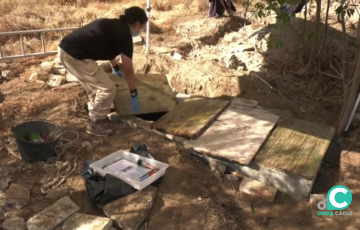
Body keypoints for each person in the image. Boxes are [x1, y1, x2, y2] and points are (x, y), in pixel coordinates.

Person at [58, 6, 148, 137]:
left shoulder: (114, 25)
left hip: (66, 50)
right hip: (75, 56)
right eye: (143, 26)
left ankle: (99, 116)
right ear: (138, 23)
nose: (142, 29)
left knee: (95, 86)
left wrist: (115, 67)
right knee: (107, 88)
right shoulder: (124, 36)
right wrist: (133, 91)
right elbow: (129, 69)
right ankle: (95, 122)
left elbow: (107, 47)